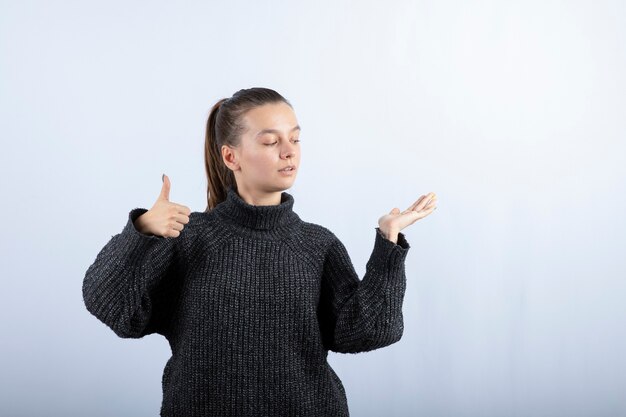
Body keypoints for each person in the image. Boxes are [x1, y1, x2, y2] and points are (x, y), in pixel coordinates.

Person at [82, 87, 438, 417]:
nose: (289, 151)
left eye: (295, 139)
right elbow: (110, 307)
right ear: (230, 156)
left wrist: (388, 243)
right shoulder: (188, 239)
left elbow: (371, 330)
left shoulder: (318, 245)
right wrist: (141, 232)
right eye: (270, 141)